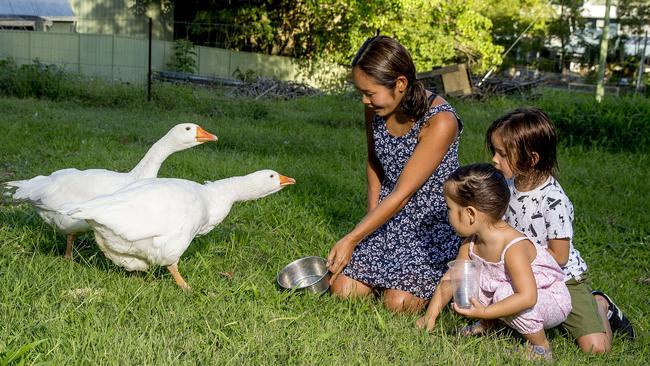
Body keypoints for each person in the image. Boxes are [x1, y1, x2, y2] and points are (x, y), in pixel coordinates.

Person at [326, 35, 462, 313]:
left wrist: (352, 238)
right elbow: (374, 161)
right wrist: (370, 220)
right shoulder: (376, 108)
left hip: (429, 226)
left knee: (397, 303)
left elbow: (403, 194)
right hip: (385, 214)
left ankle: (432, 285)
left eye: (370, 93)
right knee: (342, 290)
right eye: (361, 92)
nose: (364, 100)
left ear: (400, 84)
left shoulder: (440, 121)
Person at [486, 107, 635, 353]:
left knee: (596, 349)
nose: (494, 159)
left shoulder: (553, 200)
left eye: (502, 153)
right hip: (522, 273)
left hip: (563, 278)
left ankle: (599, 305)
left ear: (531, 159)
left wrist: (520, 257)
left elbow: (560, 256)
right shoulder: (506, 185)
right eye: (494, 151)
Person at [416, 163, 572, 361]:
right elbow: (452, 279)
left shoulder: (513, 247)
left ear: (471, 214)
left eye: (450, 208)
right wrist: (430, 316)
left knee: (503, 293)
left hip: (549, 299)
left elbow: (528, 297)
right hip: (517, 296)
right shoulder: (470, 243)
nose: (448, 215)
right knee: (467, 280)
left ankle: (541, 348)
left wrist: (486, 311)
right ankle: (487, 326)